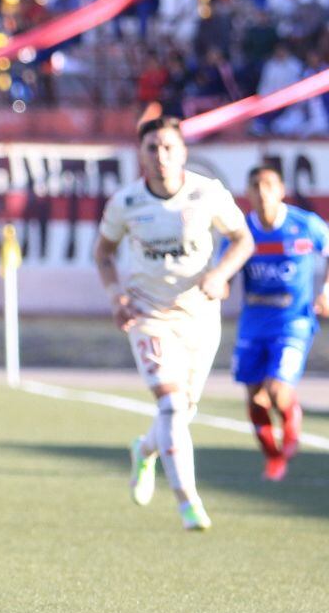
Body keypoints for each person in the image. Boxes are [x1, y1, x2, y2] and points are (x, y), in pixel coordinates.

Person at [94, 116, 253, 532]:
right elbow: (104, 253)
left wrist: (221, 275)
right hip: (148, 315)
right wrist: (117, 295)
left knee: (183, 410)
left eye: (168, 147)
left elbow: (243, 240)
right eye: (152, 148)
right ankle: (188, 503)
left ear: (183, 151)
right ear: (140, 154)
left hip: (199, 314)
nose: (161, 156)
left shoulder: (207, 192)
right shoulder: (126, 203)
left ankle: (144, 450)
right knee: (170, 404)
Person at [231, 165, 329, 481]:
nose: (262, 191)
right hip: (253, 325)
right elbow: (225, 270)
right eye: (255, 185)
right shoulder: (241, 232)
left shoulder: (305, 225)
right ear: (247, 192)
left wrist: (326, 291)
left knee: (276, 391)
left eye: (269, 184)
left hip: (293, 323)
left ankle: (290, 421)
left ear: (281, 189)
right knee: (255, 400)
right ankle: (273, 456)